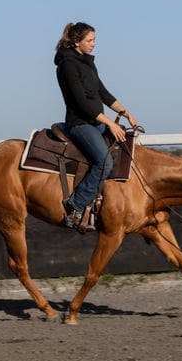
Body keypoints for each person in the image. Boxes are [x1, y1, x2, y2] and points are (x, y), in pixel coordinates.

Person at [54, 22, 138, 230]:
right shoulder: (67, 66)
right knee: (104, 163)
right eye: (89, 40)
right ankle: (77, 205)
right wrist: (110, 123)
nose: (93, 44)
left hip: (96, 121)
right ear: (76, 43)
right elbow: (82, 103)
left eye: (94, 40)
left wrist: (124, 112)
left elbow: (102, 93)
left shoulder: (87, 63)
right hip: (80, 123)